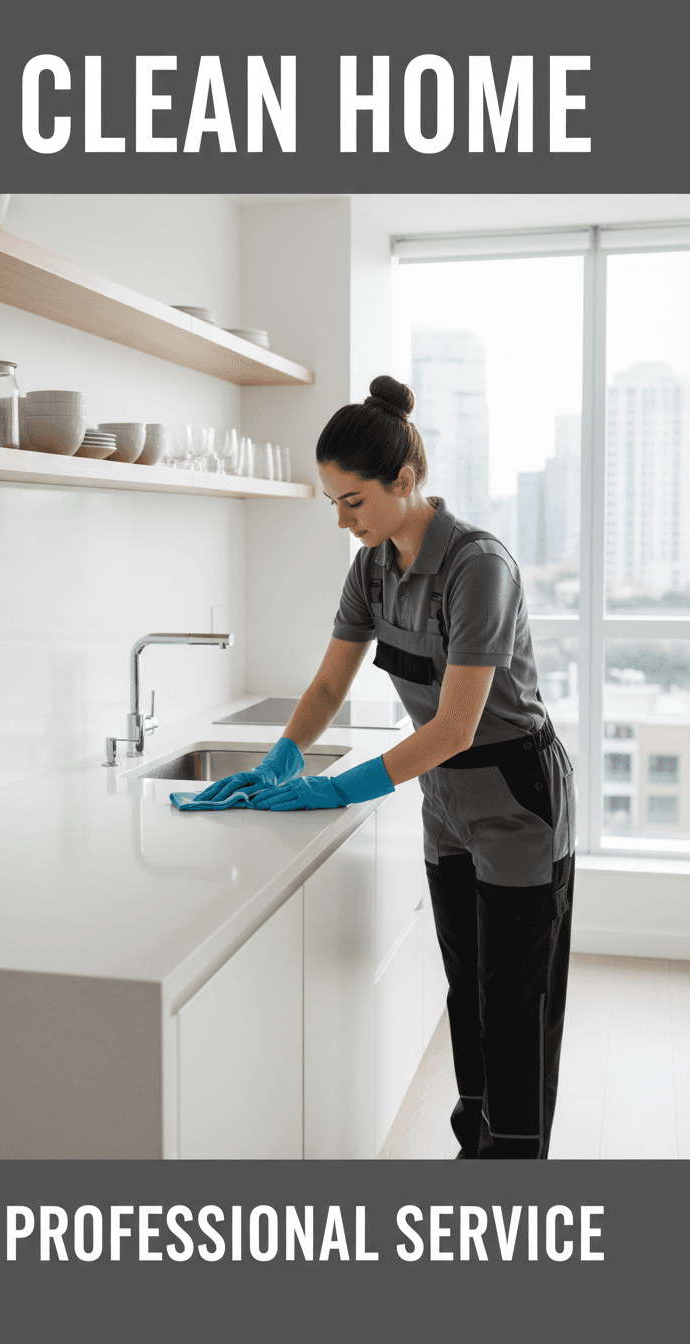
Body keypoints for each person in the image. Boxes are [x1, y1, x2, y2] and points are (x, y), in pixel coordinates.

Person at [191, 374, 576, 1161]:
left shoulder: (479, 568)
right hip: (447, 805)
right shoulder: (372, 567)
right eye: (332, 502)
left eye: (353, 501)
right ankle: (481, 1148)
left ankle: (519, 1167)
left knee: (516, 1003)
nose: (342, 520)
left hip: (516, 798)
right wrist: (281, 759)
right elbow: (331, 682)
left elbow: (458, 726)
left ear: (404, 482)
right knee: (467, 993)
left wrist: (333, 787)